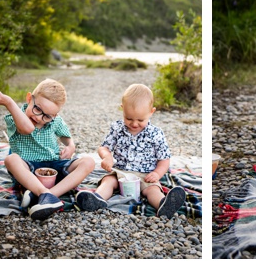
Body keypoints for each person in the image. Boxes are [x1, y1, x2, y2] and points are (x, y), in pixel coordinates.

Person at [0, 78, 95, 220]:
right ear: (28, 98)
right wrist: (9, 102)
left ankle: (46, 195)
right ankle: (42, 192)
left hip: (54, 167)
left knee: (89, 161)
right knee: (11, 159)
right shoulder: (15, 116)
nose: (39, 117)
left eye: (47, 116)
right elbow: (27, 128)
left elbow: (66, 137)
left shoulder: (55, 121)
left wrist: (70, 146)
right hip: (28, 170)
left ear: (55, 115)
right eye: (37, 109)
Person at [74, 84, 186, 218]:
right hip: (121, 172)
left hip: (146, 174)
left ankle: (163, 205)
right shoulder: (117, 128)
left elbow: (164, 158)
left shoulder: (156, 133)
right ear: (123, 109)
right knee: (108, 181)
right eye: (129, 118)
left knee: (152, 189)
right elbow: (104, 147)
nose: (134, 124)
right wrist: (107, 157)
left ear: (151, 112)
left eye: (140, 120)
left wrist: (157, 173)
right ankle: (96, 199)